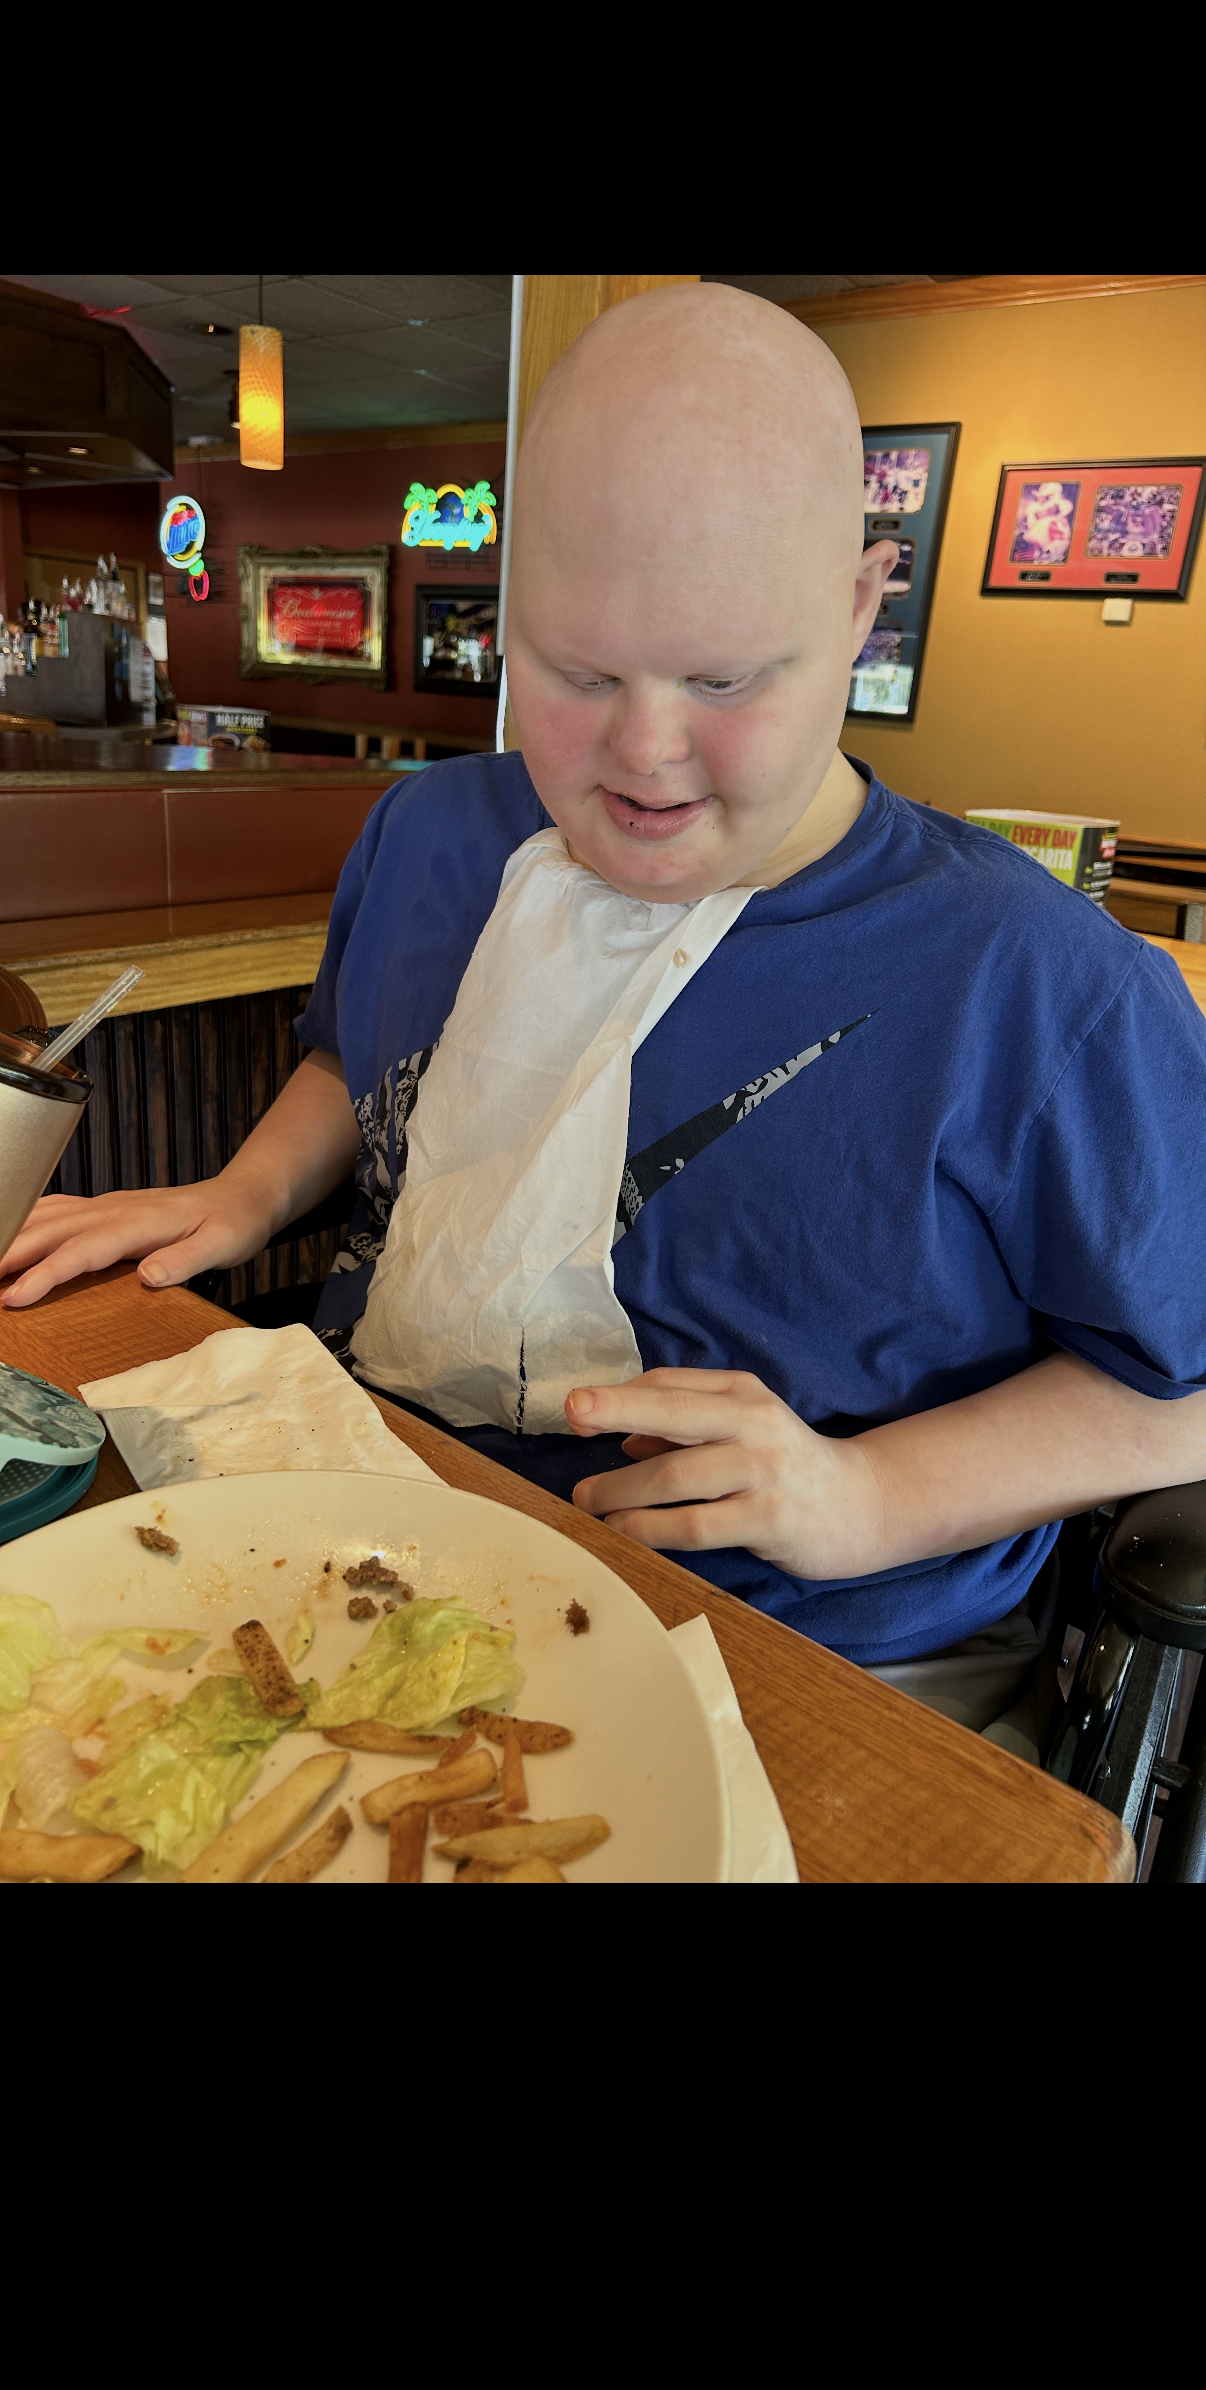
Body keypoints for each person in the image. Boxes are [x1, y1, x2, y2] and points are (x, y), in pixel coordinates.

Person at [7, 285, 1206, 1744]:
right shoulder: (430, 832)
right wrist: (246, 1189)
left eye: (724, 678)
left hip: (804, 1653)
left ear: (857, 607)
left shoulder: (1044, 983)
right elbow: (358, 1051)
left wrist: (868, 1492)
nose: (643, 754)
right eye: (578, 672)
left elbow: (1182, 1389)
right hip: (370, 1529)